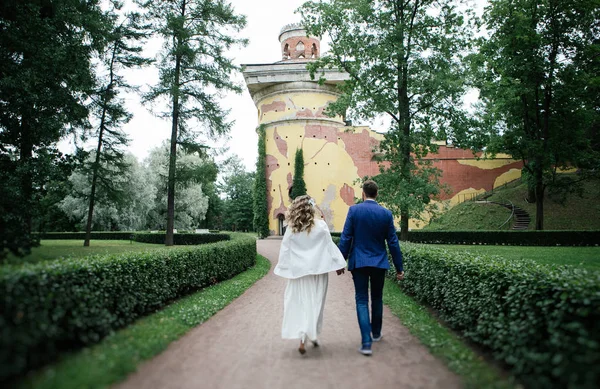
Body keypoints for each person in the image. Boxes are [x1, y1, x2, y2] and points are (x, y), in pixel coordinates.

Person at [337, 180, 404, 356]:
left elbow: (346, 238)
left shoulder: (354, 210)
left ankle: (366, 342)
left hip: (359, 262)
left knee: (361, 300)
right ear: (377, 193)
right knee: (377, 298)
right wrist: (399, 268)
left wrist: (339, 261)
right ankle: (376, 334)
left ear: (363, 193)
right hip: (379, 263)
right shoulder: (386, 214)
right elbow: (393, 243)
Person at [274, 195, 347, 355]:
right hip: (318, 272)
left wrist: (286, 269)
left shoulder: (292, 228)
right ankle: (310, 335)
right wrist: (339, 264)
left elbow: (286, 249)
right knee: (316, 303)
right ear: (311, 208)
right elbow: (329, 246)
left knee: (300, 303)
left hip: (298, 273)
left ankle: (304, 337)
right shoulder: (321, 226)